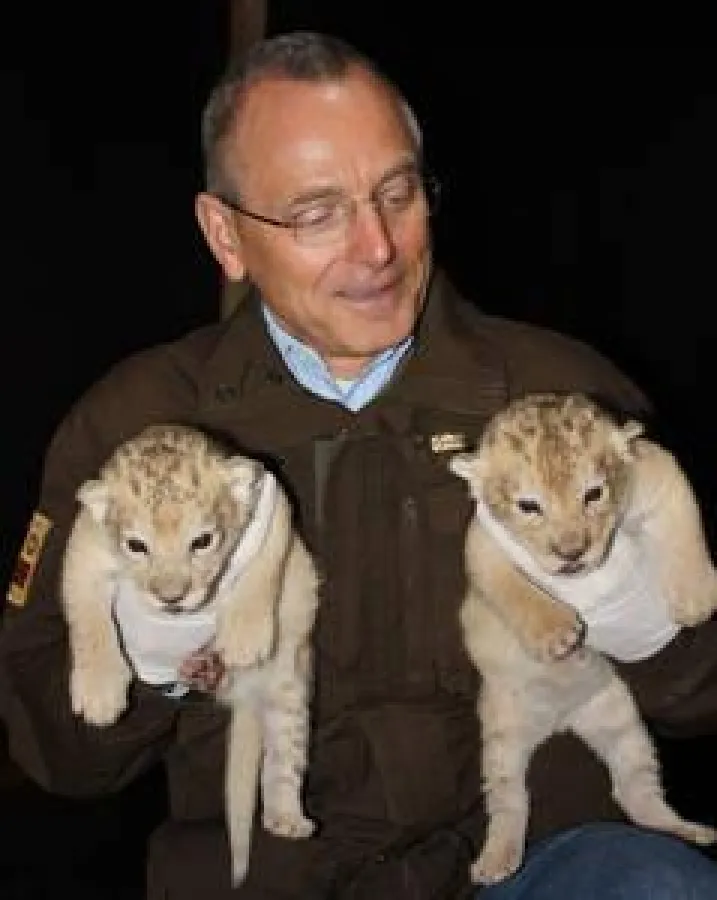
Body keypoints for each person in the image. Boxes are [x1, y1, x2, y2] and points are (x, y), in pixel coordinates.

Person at [2, 30, 717, 900]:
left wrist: (646, 618)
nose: (376, 248)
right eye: (315, 212)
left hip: (538, 860)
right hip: (266, 877)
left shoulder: (563, 396)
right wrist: (147, 658)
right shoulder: (137, 425)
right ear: (224, 234)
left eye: (396, 193)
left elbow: (704, 698)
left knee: (653, 884)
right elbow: (57, 757)